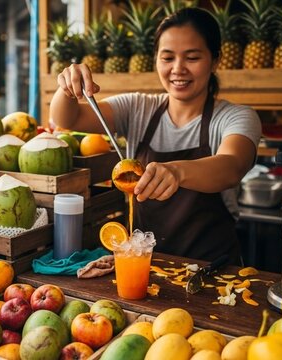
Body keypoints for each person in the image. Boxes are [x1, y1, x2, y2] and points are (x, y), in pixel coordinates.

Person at [50, 8, 261, 263]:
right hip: (145, 264)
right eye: (167, 57)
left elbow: (232, 166)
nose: (178, 69)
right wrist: (67, 89)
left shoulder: (236, 117)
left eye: (192, 58)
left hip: (213, 271)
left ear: (215, 61)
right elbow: (67, 119)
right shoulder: (137, 108)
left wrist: (176, 172)